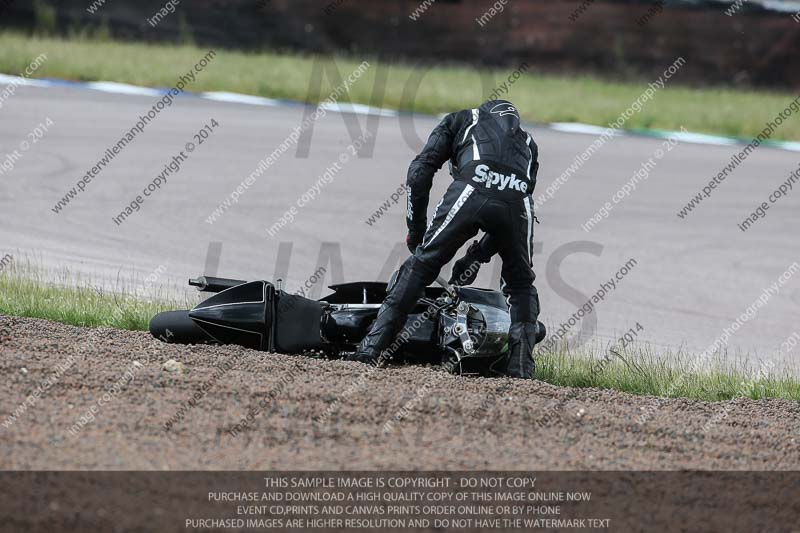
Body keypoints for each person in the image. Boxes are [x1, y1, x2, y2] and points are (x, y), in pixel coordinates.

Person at [347, 99, 541, 378]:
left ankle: (370, 351)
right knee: (521, 284)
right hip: (518, 204)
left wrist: (417, 232)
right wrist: (474, 258)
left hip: (469, 192)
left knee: (422, 265)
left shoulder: (460, 119)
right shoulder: (529, 144)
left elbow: (419, 172)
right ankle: (521, 369)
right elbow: (508, 205)